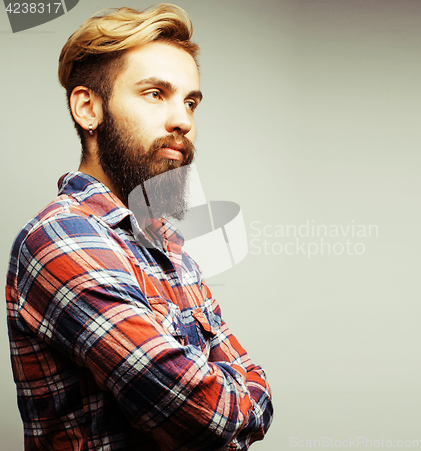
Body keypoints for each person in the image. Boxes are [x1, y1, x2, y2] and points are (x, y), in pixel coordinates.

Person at [5, 4, 273, 450]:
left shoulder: (166, 244)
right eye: (154, 94)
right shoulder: (63, 239)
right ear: (88, 108)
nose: (183, 121)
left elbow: (256, 392)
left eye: (190, 102)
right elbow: (205, 417)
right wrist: (233, 395)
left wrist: (235, 398)